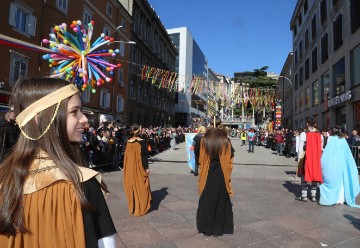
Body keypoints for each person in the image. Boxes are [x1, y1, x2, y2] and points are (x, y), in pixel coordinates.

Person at [0, 77, 116, 248]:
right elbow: (106, 244)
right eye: (74, 111)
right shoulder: (82, 183)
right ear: (41, 119)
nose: (84, 119)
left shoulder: (4, 179)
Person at [197, 116, 234, 237]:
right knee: (219, 201)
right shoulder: (225, 139)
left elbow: (198, 156)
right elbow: (231, 154)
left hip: (207, 173)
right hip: (220, 173)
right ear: (220, 124)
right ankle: (218, 229)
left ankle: (206, 229)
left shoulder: (204, 139)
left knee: (207, 200)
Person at [319, 126, 360, 207]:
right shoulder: (342, 139)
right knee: (342, 181)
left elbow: (328, 152)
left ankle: (335, 198)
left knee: (334, 180)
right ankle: (342, 199)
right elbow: (347, 153)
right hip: (343, 163)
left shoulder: (331, 139)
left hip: (334, 163)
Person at [123, 124, 152, 216]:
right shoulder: (142, 142)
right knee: (141, 185)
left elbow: (126, 156)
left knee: (131, 185)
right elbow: (144, 156)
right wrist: (146, 168)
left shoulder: (128, 141)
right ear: (139, 131)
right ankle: (142, 205)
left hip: (129, 167)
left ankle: (134, 206)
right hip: (138, 166)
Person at [296, 117, 323, 202]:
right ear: (315, 124)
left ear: (307, 124)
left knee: (304, 175)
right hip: (316, 157)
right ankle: (313, 195)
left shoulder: (304, 134)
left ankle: (304, 196)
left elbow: (300, 148)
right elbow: (321, 148)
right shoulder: (320, 135)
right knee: (314, 175)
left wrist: (299, 158)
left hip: (306, 156)